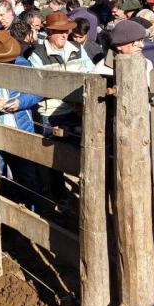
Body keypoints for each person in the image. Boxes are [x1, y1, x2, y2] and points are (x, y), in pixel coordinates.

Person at [28, 12, 93, 209]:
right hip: (52, 111)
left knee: (82, 149)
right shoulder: (37, 55)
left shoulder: (77, 49)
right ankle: (59, 195)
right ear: (49, 33)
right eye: (59, 32)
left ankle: (85, 192)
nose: (65, 35)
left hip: (77, 110)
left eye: (66, 31)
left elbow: (90, 72)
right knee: (53, 158)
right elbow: (38, 86)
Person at [0, 30, 43, 210]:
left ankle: (31, 213)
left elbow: (37, 91)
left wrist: (20, 102)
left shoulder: (23, 65)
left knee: (27, 175)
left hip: (21, 127)